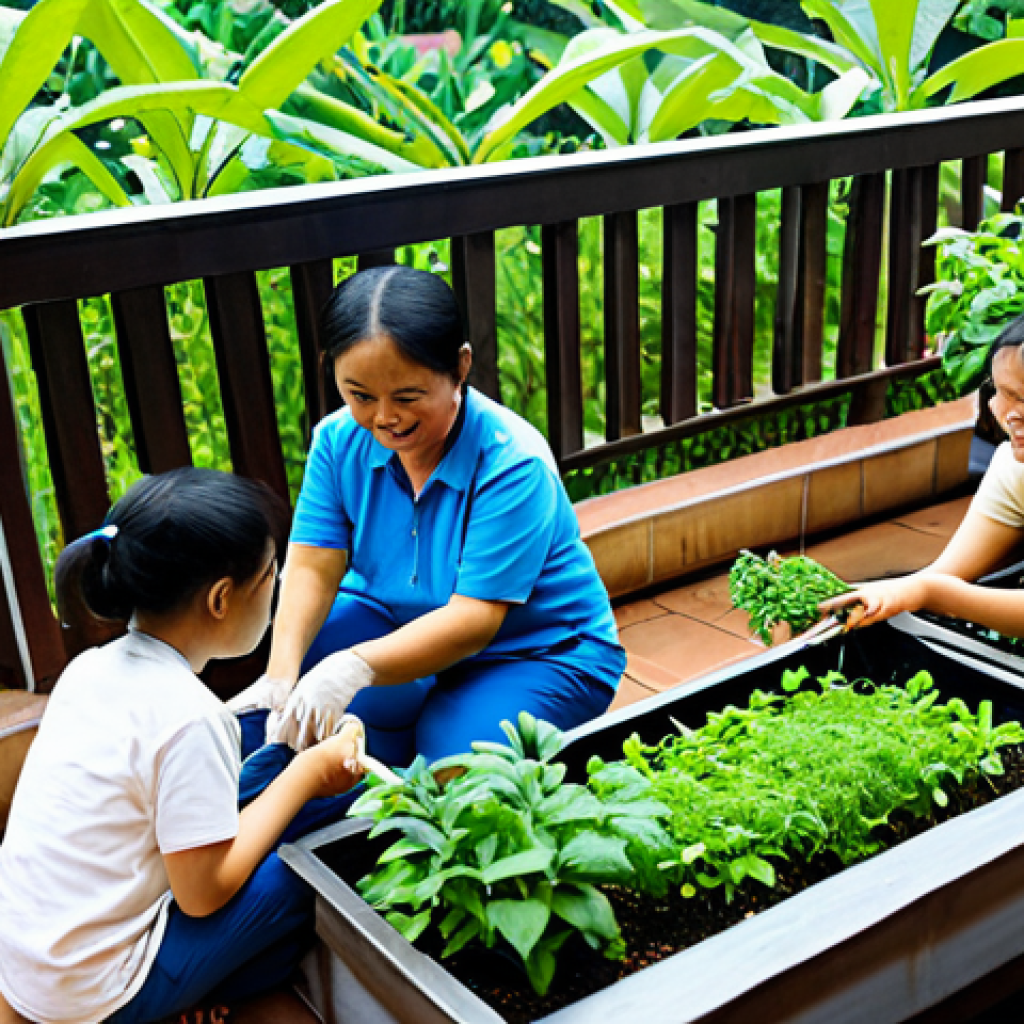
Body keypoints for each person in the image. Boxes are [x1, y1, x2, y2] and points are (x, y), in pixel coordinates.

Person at [0, 468, 365, 1024]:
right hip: (94, 994)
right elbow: (202, 895)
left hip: (28, 960)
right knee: (303, 874)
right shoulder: (188, 718)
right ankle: (201, 994)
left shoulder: (88, 669)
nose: (278, 586)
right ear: (221, 597)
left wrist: (296, 771)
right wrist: (307, 777)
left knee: (272, 778)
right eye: (272, 573)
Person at [261, 264, 626, 763]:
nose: (384, 417)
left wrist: (353, 668)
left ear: (460, 367)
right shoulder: (336, 439)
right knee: (294, 692)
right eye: (360, 396)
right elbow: (312, 565)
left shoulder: (511, 460)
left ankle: (429, 724)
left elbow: (474, 620)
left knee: (455, 771)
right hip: (395, 621)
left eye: (407, 397)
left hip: (535, 649)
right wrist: (280, 675)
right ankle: (394, 724)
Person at [822, 313, 1024, 635]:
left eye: (1022, 399)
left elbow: (936, 588)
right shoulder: (1014, 471)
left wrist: (929, 593)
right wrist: (868, 595)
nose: (1006, 414)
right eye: (1001, 394)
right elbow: (947, 572)